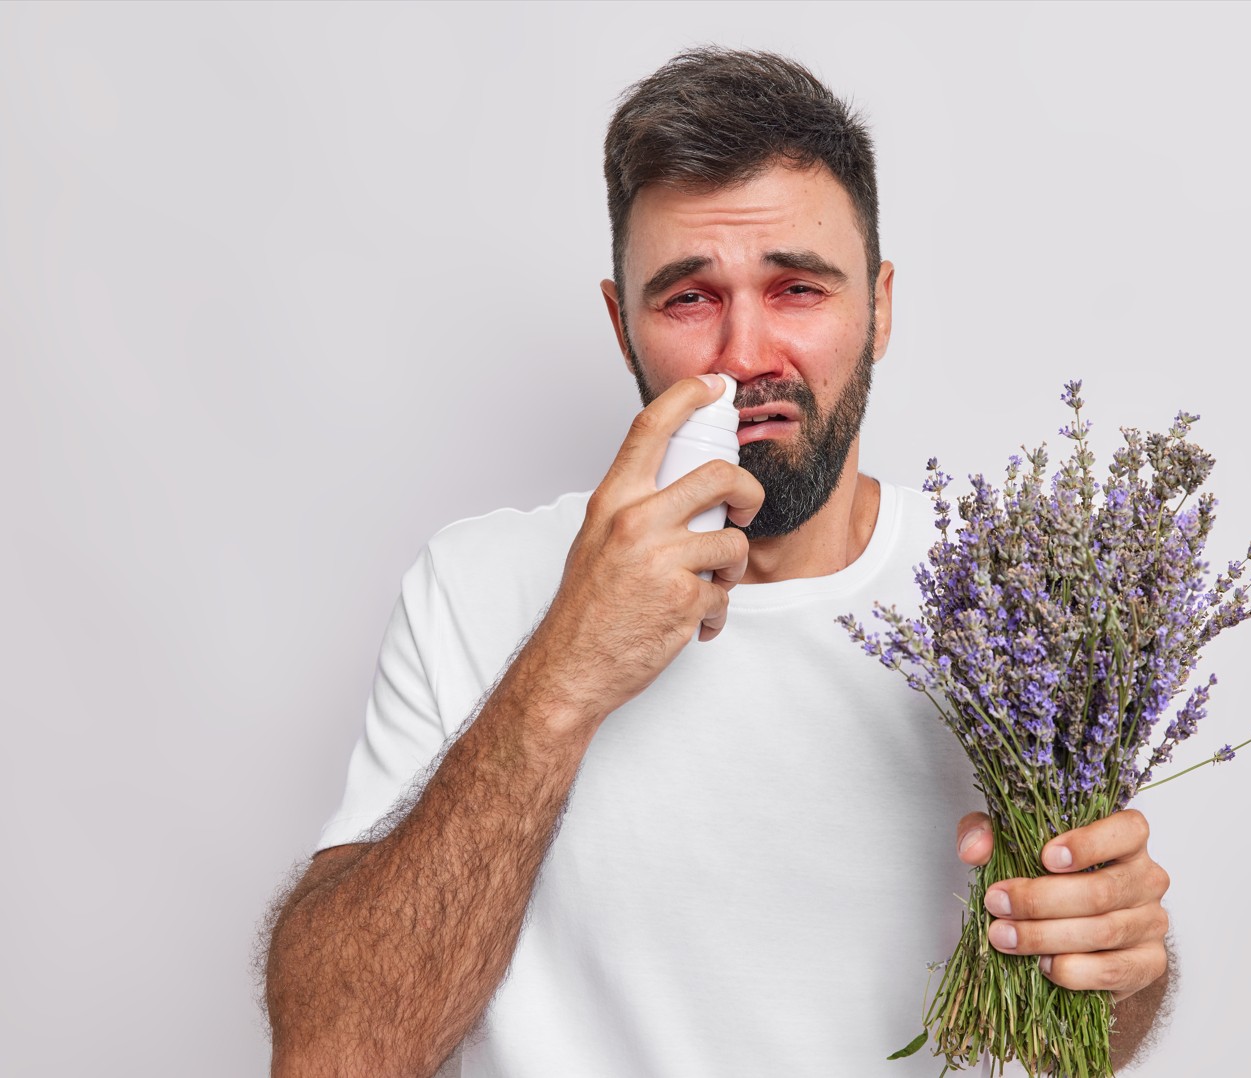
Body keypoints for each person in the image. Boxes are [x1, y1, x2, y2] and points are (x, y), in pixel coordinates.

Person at [262, 47, 1174, 1077]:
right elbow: (335, 1052)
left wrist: (1121, 964)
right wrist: (564, 670)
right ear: (621, 326)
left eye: (797, 288)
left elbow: (1083, 1024)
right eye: (689, 298)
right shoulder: (475, 587)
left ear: (877, 308)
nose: (746, 353)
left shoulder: (1019, 601)